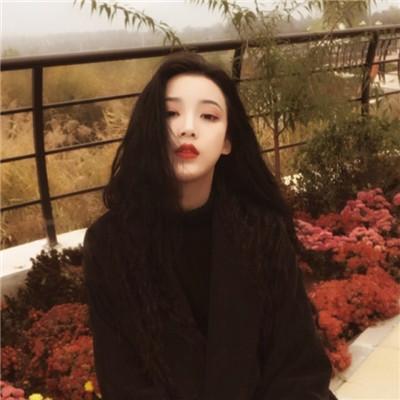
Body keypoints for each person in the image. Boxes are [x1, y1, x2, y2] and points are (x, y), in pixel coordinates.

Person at [82, 51, 338, 400]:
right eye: (170, 113)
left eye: (208, 116)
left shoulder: (262, 230)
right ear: (149, 130)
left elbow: (298, 365)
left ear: (228, 141)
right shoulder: (110, 244)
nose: (188, 128)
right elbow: (124, 382)